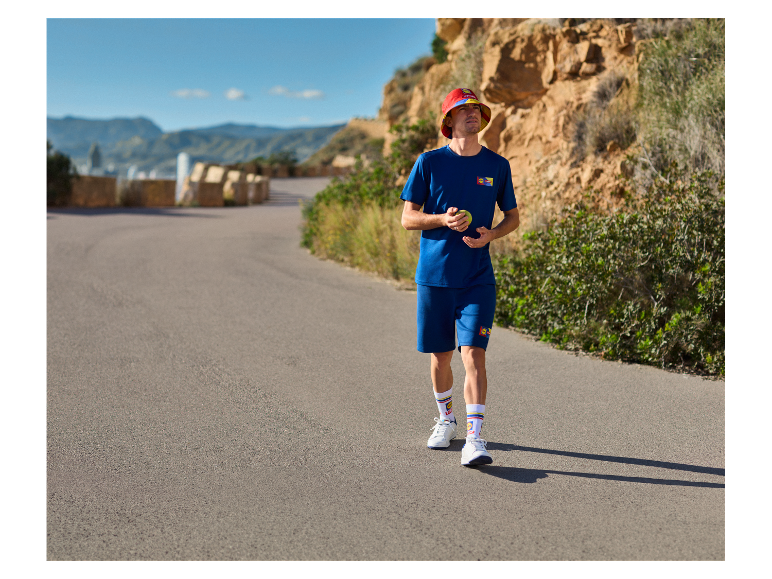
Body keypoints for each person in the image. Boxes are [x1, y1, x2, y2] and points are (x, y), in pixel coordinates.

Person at [400, 88, 520, 467]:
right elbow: (408, 218)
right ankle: (446, 419)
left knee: (474, 355)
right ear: (448, 120)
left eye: (477, 109)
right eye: (463, 109)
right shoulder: (429, 162)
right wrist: (442, 220)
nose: (473, 114)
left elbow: (512, 217)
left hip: (477, 278)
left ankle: (475, 438)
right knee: (440, 357)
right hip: (434, 277)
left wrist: (492, 234)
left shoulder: (497, 165)